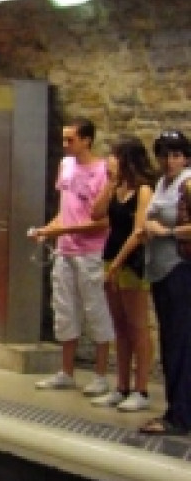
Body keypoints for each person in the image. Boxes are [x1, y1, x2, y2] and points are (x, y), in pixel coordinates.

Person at [31, 118, 115, 395]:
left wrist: (63, 229)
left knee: (95, 310)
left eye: (71, 140)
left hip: (91, 251)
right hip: (65, 249)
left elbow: (103, 221)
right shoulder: (65, 166)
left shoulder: (102, 171)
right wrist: (50, 229)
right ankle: (66, 370)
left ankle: (101, 374)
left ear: (87, 140)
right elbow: (65, 210)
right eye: (64, 139)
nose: (66, 145)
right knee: (65, 310)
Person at [89, 137, 157, 411]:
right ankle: (121, 385)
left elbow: (138, 231)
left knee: (137, 326)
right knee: (119, 326)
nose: (110, 160)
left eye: (115, 155)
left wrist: (118, 263)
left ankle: (141, 388)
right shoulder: (118, 188)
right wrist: (109, 183)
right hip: (110, 256)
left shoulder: (143, 190)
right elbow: (96, 213)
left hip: (132, 262)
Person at [136, 130, 191, 435]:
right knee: (172, 341)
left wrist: (166, 233)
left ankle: (179, 416)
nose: (170, 161)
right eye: (165, 155)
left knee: (180, 344)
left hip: (179, 270)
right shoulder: (163, 184)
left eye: (176, 155)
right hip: (161, 271)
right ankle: (177, 408)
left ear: (185, 157)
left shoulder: (188, 183)